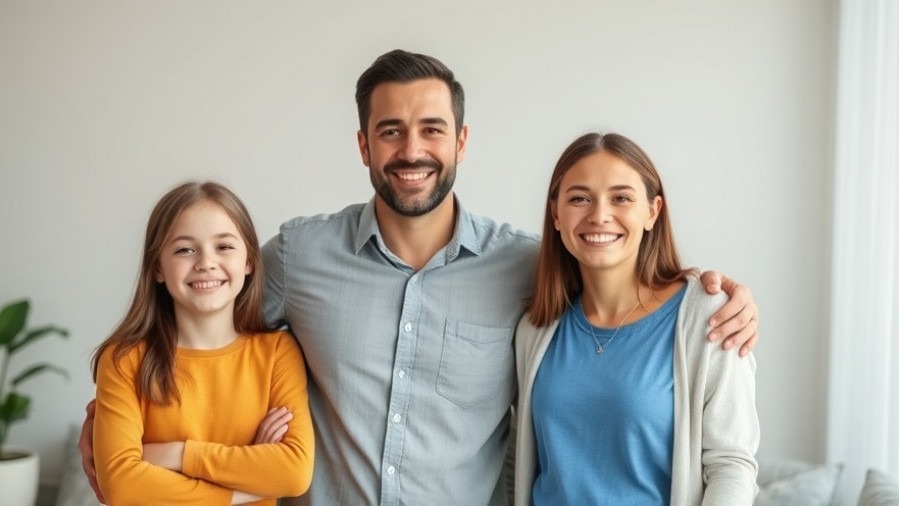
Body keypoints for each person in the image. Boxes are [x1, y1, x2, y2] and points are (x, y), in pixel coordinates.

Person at [81, 50, 759, 505]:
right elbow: (203, 293)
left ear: (460, 142)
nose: (412, 150)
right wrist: (114, 421)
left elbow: (624, 282)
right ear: (363, 145)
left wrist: (716, 290)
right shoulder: (299, 255)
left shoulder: (529, 268)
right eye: (390, 130)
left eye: (431, 129)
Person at [513, 132, 759, 505]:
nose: (599, 215)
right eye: (579, 198)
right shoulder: (536, 327)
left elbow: (731, 466)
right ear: (556, 214)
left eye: (621, 198)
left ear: (652, 211)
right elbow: (520, 457)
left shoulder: (711, 315)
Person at [90, 181, 314, 505]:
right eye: (185, 249)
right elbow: (122, 487)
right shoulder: (124, 360)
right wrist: (246, 485)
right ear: (157, 268)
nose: (205, 262)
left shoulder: (278, 353)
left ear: (249, 261)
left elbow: (293, 473)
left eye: (224, 247)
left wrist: (178, 455)